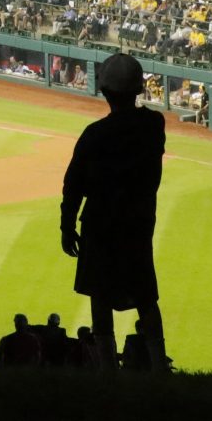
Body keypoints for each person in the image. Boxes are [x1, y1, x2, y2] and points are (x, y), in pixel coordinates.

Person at [61, 52, 166, 369]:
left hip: (100, 225)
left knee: (100, 296)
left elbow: (73, 184)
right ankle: (160, 366)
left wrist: (67, 227)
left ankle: (108, 371)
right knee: (146, 296)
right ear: (138, 88)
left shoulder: (94, 134)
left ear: (104, 90)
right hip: (137, 223)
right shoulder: (153, 125)